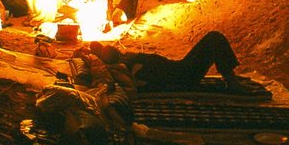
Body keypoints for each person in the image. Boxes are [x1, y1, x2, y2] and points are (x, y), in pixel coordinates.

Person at [92, 31, 267, 95]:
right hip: (184, 75)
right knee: (214, 38)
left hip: (180, 68)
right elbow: (136, 86)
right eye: (110, 51)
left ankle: (231, 80)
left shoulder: (128, 60)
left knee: (214, 38)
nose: (115, 48)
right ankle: (232, 83)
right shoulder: (125, 70)